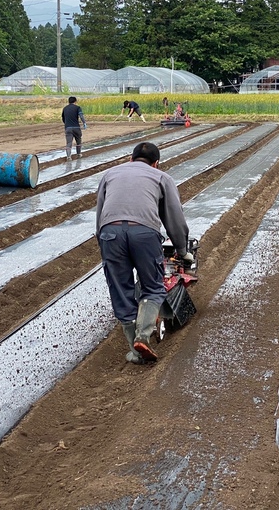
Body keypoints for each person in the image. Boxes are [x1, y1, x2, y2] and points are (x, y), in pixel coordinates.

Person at [95, 141, 193, 364]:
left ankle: (135, 351)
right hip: (144, 234)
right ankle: (143, 335)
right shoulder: (161, 177)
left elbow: (100, 213)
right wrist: (181, 250)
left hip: (109, 233)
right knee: (153, 287)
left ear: (130, 159)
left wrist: (104, 247)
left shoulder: (109, 175)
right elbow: (174, 218)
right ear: (156, 163)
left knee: (121, 290)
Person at [61, 96, 87, 161]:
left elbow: (63, 118)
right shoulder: (78, 108)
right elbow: (81, 116)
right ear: (75, 101)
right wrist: (84, 123)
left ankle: (68, 157)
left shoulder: (65, 108)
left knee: (69, 143)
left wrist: (66, 124)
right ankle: (78, 154)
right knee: (78, 141)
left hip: (68, 128)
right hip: (76, 127)